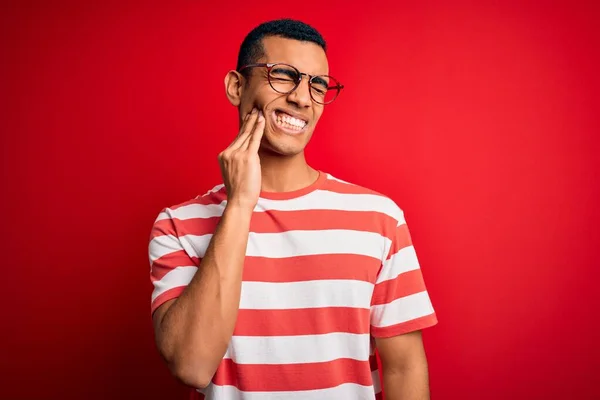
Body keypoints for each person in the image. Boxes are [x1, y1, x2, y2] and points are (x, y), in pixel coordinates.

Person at [148, 18, 437, 400]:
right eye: (283, 75)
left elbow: (404, 367)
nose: (303, 98)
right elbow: (191, 364)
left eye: (317, 84)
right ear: (237, 87)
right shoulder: (177, 225)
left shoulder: (379, 219)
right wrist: (239, 205)